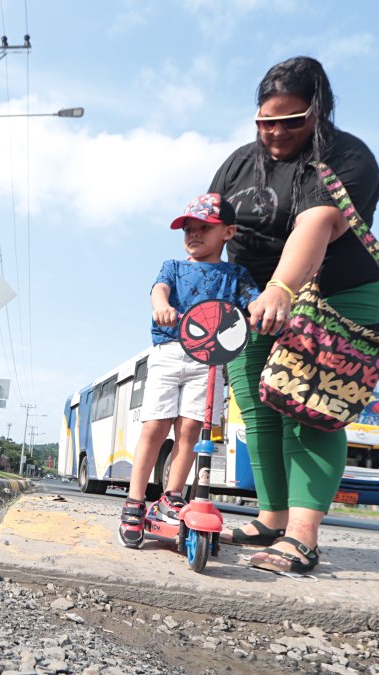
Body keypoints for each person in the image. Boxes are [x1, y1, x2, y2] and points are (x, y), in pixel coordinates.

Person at [209, 56, 379, 574]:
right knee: (260, 409)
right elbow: (212, 227)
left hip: (339, 295)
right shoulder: (237, 164)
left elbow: (314, 226)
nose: (276, 132)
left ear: (318, 110)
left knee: (310, 407)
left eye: (291, 120)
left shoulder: (345, 156)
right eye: (266, 121)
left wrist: (282, 286)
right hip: (256, 303)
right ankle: (272, 516)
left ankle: (302, 536)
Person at [118, 193, 259, 549]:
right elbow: (158, 291)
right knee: (155, 426)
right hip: (168, 351)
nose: (194, 235)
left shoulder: (235, 275)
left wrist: (261, 309)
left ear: (228, 232)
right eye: (188, 229)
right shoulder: (174, 267)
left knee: (192, 428)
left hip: (210, 360)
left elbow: (253, 300)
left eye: (204, 228)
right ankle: (135, 501)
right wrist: (162, 305)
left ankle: (172, 495)